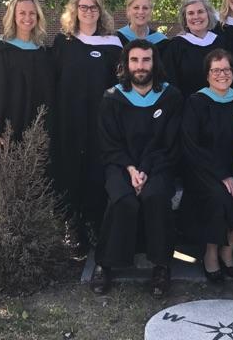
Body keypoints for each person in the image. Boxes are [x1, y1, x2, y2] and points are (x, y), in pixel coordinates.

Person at [92, 39, 183, 298]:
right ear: (126, 64)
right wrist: (132, 169)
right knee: (123, 199)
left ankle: (161, 265)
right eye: (135, 60)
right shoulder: (112, 98)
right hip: (120, 165)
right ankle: (105, 263)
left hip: (160, 165)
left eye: (146, 60)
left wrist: (145, 169)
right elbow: (109, 143)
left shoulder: (170, 96)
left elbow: (169, 143)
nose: (140, 66)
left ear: (154, 62)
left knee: (155, 196)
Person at [53, 0, 123, 255]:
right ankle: (73, 225)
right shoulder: (64, 43)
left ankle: (95, 222)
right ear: (75, 10)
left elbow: (120, 86)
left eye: (94, 7)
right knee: (71, 169)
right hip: (69, 120)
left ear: (100, 11)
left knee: (96, 171)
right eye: (83, 7)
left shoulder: (113, 45)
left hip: (100, 122)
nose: (89, 12)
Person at [180, 48, 233, 283]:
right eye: (216, 70)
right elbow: (192, 145)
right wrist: (222, 175)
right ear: (207, 74)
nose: (222, 74)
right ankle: (211, 254)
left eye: (227, 69)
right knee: (219, 197)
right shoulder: (196, 102)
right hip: (204, 170)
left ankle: (227, 249)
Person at [0, 0, 54, 187]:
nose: (27, 18)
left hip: (35, 123)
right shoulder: (1, 49)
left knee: (34, 178)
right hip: (8, 125)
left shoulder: (41, 51)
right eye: (22, 13)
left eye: (32, 13)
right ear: (13, 16)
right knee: (9, 180)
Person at [163, 0, 226, 98]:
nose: (196, 16)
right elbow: (170, 83)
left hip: (220, 105)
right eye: (191, 13)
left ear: (208, 15)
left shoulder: (221, 43)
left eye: (200, 12)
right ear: (185, 20)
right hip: (188, 108)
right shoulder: (175, 47)